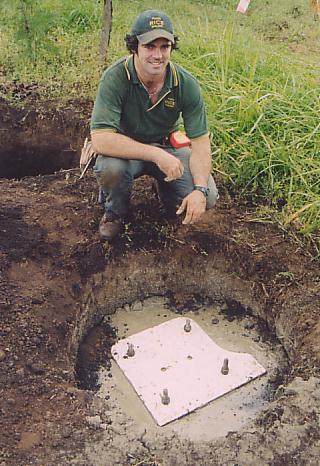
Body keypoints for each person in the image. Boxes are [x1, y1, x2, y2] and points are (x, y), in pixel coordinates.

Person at [90, 9, 219, 240]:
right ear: (134, 47)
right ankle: (115, 212)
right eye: (150, 46)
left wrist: (200, 189)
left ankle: (166, 191)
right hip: (126, 151)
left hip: (167, 147)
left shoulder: (185, 84)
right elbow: (101, 139)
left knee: (207, 197)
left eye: (164, 47)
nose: (157, 55)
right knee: (111, 168)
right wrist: (155, 155)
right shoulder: (115, 78)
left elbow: (200, 143)